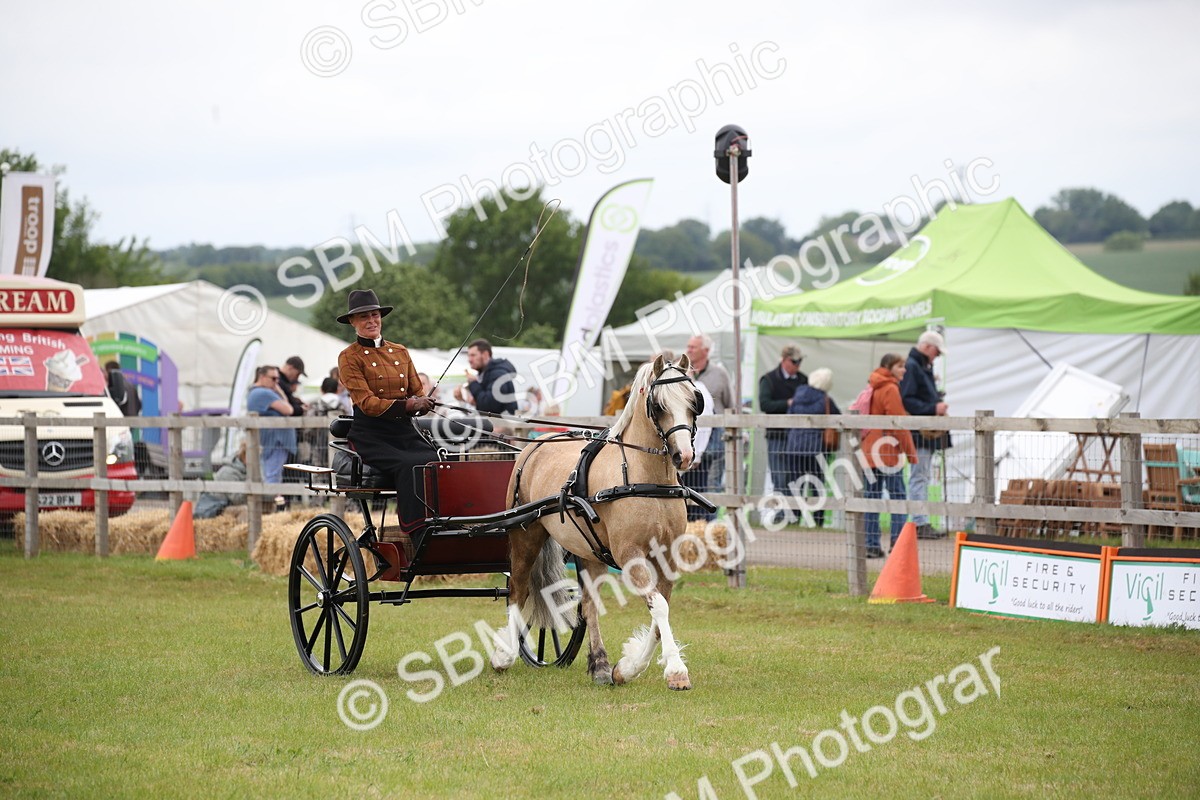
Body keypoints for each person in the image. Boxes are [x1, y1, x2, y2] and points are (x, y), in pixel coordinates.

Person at [335, 289, 437, 540]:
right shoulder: (349, 357)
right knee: (409, 464)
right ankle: (417, 530)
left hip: (404, 431)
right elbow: (367, 403)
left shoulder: (400, 351)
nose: (371, 321)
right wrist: (408, 406)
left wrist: (423, 402)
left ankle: (444, 520)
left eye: (374, 315)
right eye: (363, 317)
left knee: (437, 460)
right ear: (352, 322)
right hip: (372, 434)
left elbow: (416, 390)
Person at [861, 354, 918, 558]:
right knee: (898, 497)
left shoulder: (872, 385)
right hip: (887, 451)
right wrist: (911, 454)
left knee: (871, 498)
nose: (904, 370)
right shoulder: (890, 388)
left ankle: (870, 544)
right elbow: (898, 424)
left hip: (869, 450)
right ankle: (898, 542)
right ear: (889, 367)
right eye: (900, 366)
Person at [900, 330, 950, 540]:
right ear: (928, 347)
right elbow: (907, 399)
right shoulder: (913, 367)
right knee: (919, 476)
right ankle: (920, 523)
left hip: (923, 432)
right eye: (936, 352)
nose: (937, 356)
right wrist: (933, 407)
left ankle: (922, 521)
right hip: (920, 432)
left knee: (922, 475)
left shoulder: (920, 366)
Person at [680, 334, 734, 521]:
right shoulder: (681, 371)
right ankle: (690, 522)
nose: (689, 350)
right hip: (689, 436)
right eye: (688, 346)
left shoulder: (719, 374)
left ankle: (709, 523)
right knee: (689, 482)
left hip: (714, 438)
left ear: (705, 350)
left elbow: (729, 404)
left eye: (693, 347)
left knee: (711, 483)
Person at [785, 368, 839, 528]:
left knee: (795, 484)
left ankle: (794, 518)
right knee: (817, 486)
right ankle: (818, 519)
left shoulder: (797, 396)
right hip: (816, 449)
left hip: (794, 447)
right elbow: (837, 417)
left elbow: (788, 417)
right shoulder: (825, 400)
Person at [758, 344, 807, 517]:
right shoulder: (769, 379)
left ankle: (794, 514)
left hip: (797, 437)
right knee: (780, 476)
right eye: (795, 361)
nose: (798, 365)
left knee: (795, 475)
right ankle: (783, 515)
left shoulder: (803, 380)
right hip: (776, 436)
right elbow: (765, 404)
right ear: (785, 360)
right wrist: (787, 404)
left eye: (800, 361)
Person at [246, 365, 298, 499]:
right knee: (272, 477)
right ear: (262, 377)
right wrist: (279, 390)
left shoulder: (257, 392)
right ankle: (269, 507)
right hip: (275, 441)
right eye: (273, 378)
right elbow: (289, 410)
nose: (276, 382)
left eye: (278, 379)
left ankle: (271, 507)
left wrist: (277, 390)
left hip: (271, 441)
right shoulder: (263, 393)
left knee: (272, 475)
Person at [455, 338, 518, 415]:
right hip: (494, 424)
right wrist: (462, 399)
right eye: (468, 356)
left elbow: (488, 406)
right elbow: (480, 405)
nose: (469, 360)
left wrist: (473, 383)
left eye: (473, 355)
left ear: (485, 354)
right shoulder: (485, 374)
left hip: (502, 425)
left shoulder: (498, 374)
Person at [194, 443, 248, 519]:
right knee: (245, 510)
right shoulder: (228, 472)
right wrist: (250, 485)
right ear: (244, 456)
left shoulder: (247, 471)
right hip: (215, 508)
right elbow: (237, 500)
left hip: (226, 504)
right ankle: (244, 530)